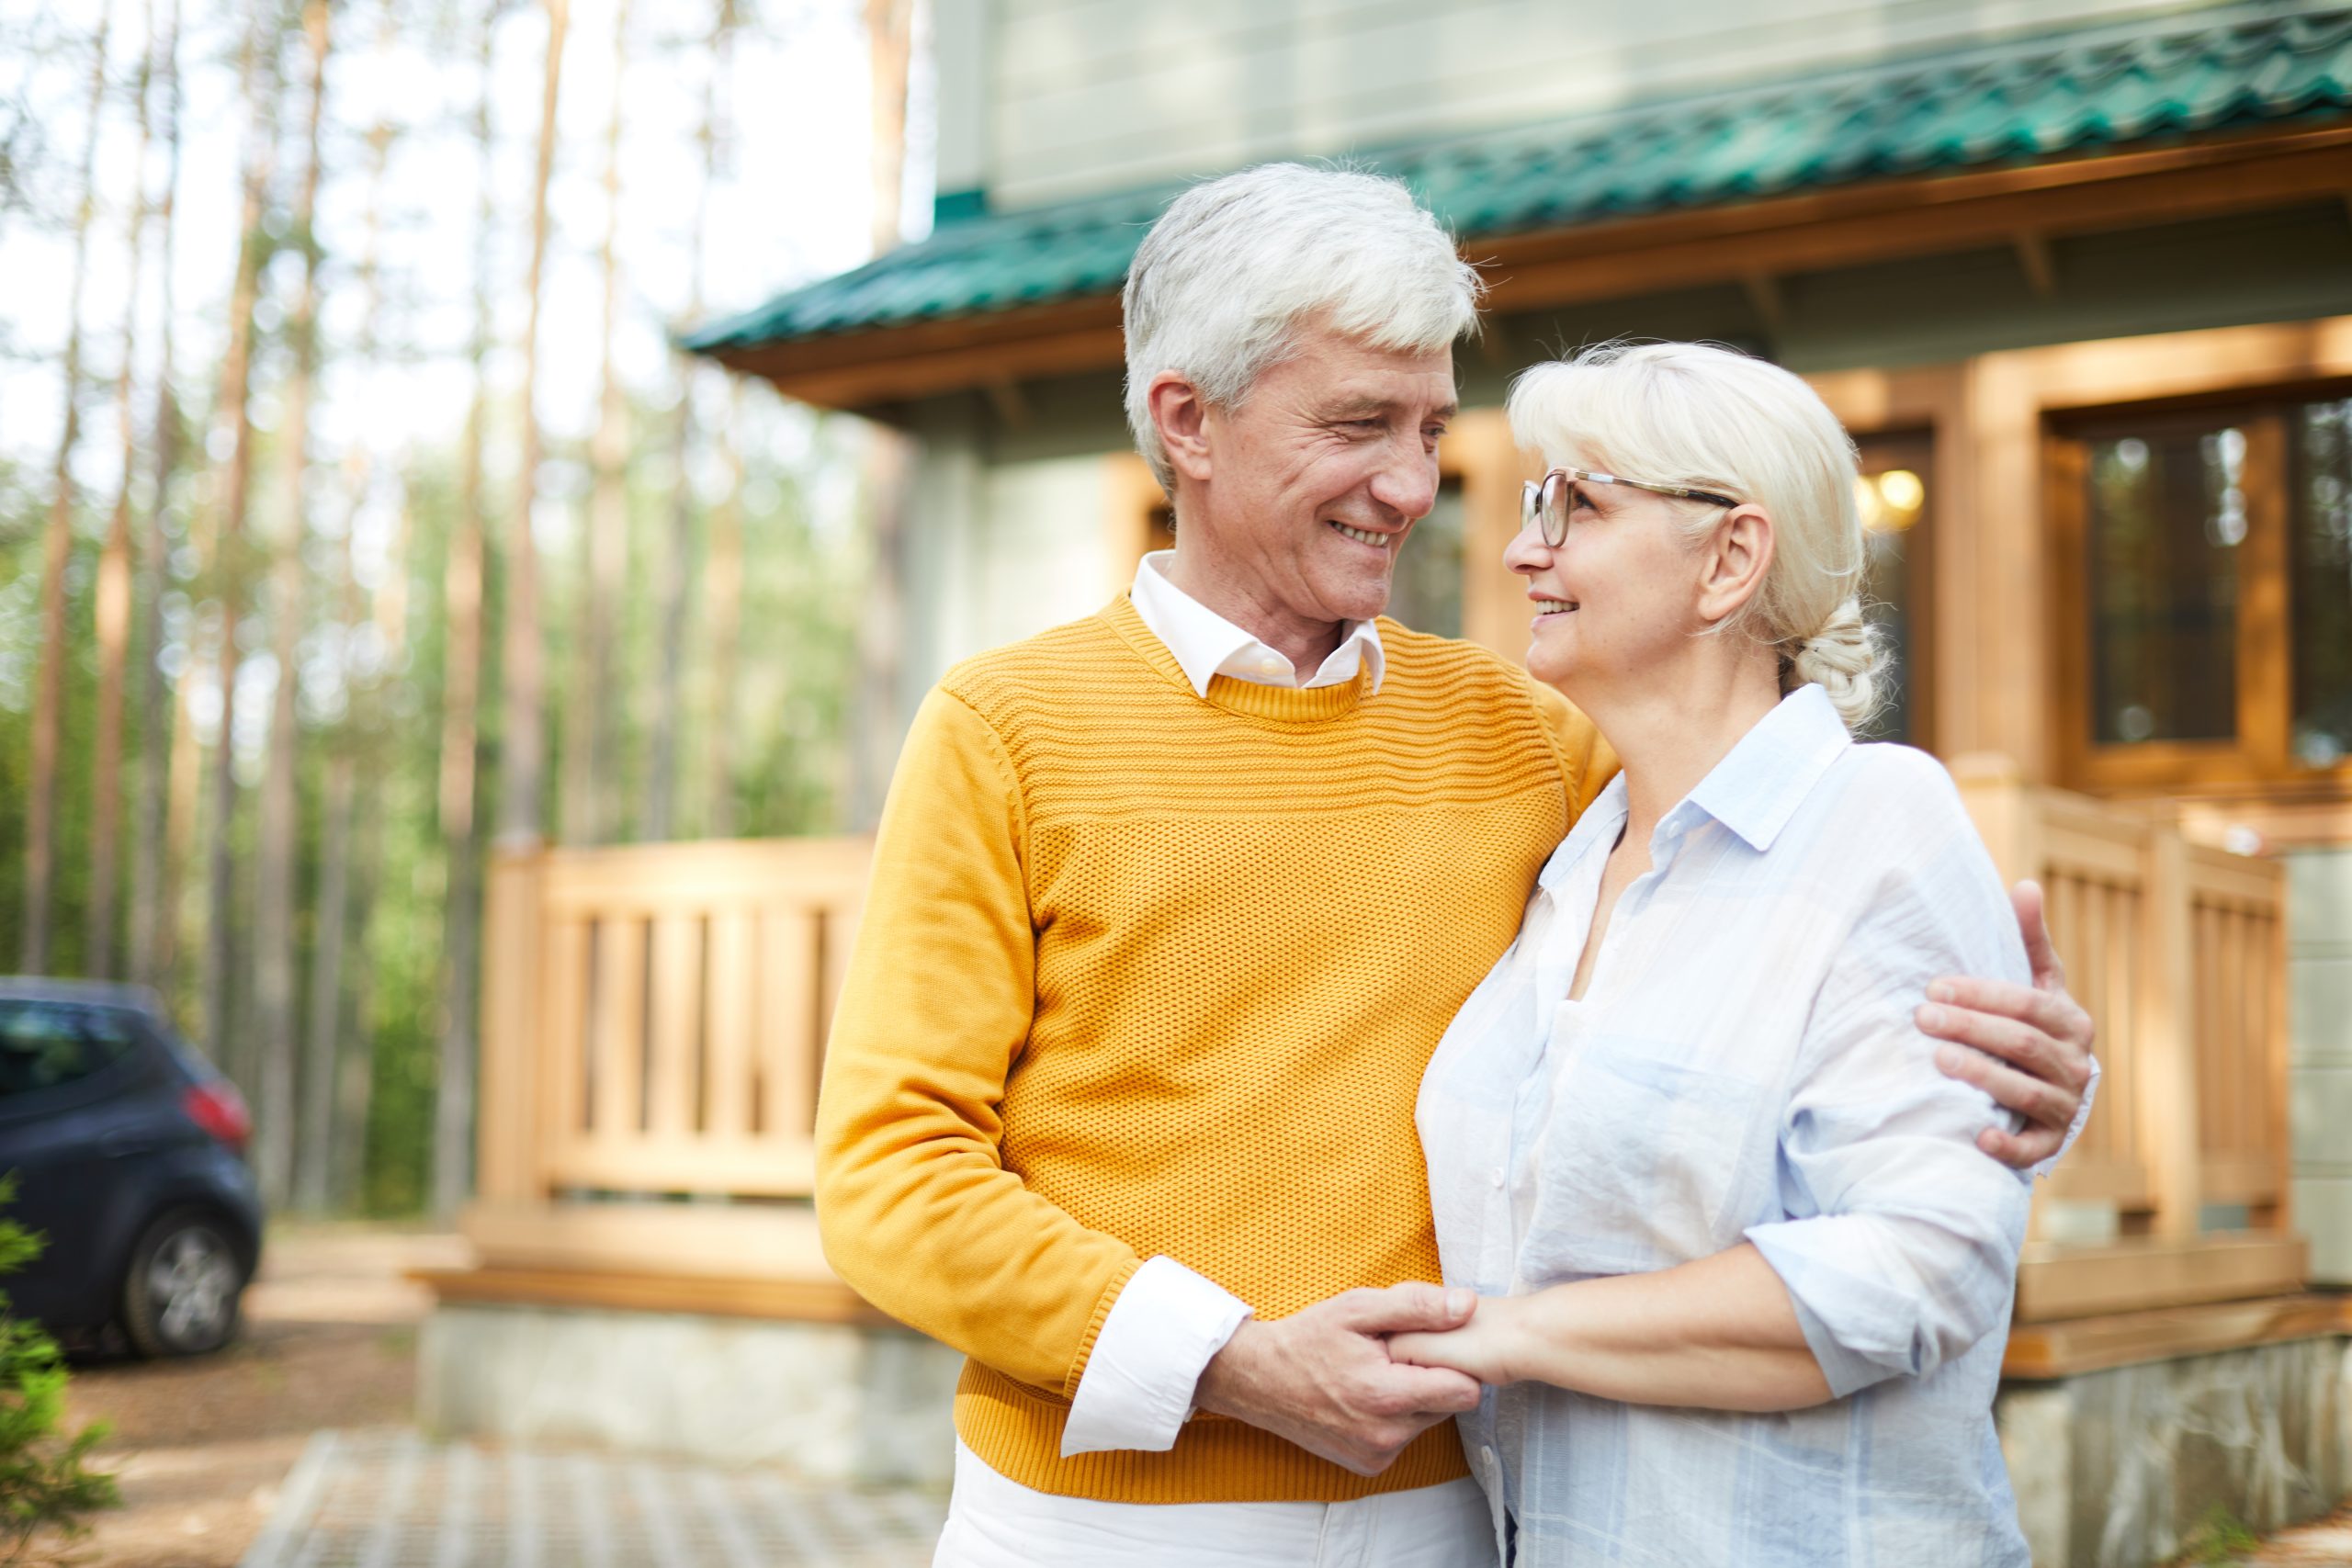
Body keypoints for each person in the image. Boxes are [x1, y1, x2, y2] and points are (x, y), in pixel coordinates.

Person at [813, 164, 2096, 1568]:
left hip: (1456, 1519)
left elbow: (1787, 939)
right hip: (1097, 1530)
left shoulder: (1537, 738)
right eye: (1359, 425)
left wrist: (2028, 1078)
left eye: (1431, 428)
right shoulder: (1008, 728)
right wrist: (1227, 1357)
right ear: (1189, 421)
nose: (1414, 486)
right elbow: (894, 1173)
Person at [1393, 341, 2038, 1564]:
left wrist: (1505, 1334)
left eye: (1577, 506)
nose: (1528, 548)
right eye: (1538, 505)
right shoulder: (1570, 863)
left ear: (1731, 558)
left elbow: (1924, 1264)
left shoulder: (1877, 826)